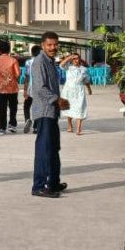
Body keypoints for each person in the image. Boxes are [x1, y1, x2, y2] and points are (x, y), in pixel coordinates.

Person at [30, 32, 69, 198]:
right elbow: (39, 88)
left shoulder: (51, 62)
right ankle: (40, 186)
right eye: (50, 45)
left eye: (55, 44)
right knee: (44, 150)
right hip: (44, 111)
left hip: (52, 112)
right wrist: (57, 100)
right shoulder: (39, 62)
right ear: (43, 45)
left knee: (54, 148)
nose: (53, 47)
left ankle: (53, 182)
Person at [0, 41, 21, 133]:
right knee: (13, 107)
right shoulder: (13, 60)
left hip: (0, 89)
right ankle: (12, 124)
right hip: (12, 88)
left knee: (1, 108)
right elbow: (18, 74)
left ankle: (2, 127)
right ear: (9, 49)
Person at [61, 53, 92, 135]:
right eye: (74, 59)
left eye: (77, 58)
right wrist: (69, 57)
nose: (75, 60)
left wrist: (89, 89)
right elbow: (61, 65)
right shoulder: (68, 67)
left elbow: (86, 81)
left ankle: (78, 128)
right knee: (69, 108)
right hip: (68, 90)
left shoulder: (84, 69)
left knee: (80, 107)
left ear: (79, 59)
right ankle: (70, 125)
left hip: (79, 90)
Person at [23, 45, 42, 134]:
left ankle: (27, 119)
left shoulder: (28, 62)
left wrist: (25, 90)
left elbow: (26, 77)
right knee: (38, 107)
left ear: (32, 52)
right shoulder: (43, 62)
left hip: (31, 87)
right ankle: (36, 127)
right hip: (41, 88)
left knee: (27, 105)